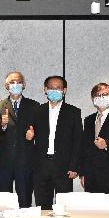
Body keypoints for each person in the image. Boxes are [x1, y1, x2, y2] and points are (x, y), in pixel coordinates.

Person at [27, 75, 82, 210]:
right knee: (42, 206)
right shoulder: (37, 111)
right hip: (41, 166)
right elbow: (29, 136)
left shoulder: (73, 112)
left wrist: (74, 166)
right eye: (51, 88)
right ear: (45, 90)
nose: (54, 91)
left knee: (63, 208)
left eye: (58, 88)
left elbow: (78, 141)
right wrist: (29, 137)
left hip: (63, 167)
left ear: (64, 90)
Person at [0, 71, 39, 208]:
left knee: (24, 202)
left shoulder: (34, 106)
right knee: (4, 202)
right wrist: (3, 125)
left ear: (24, 85)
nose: (15, 84)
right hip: (4, 161)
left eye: (18, 81)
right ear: (6, 86)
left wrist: (33, 135)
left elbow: (40, 130)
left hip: (25, 161)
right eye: (12, 82)